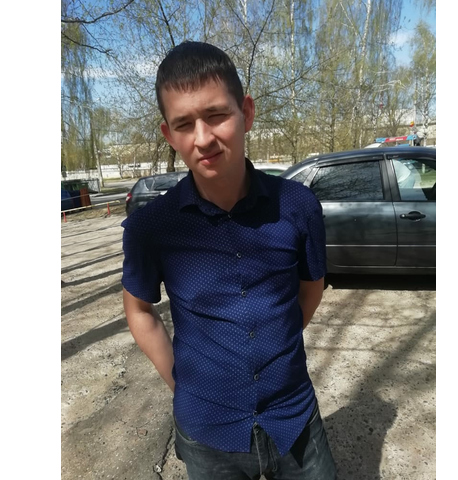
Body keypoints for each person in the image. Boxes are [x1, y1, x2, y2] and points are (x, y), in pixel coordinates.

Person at [121, 41, 336, 480]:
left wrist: (278, 340)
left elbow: (311, 288)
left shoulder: (298, 206)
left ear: (246, 113)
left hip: (294, 418)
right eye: (184, 124)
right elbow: (138, 310)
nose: (203, 138)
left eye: (216, 114)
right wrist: (182, 382)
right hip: (206, 434)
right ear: (168, 135)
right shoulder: (151, 227)